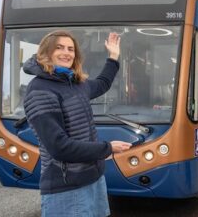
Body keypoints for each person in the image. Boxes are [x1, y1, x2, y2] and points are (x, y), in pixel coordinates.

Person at [23, 30, 132, 217]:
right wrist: (107, 148)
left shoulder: (75, 84)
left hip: (94, 180)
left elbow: (102, 84)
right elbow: (59, 147)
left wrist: (113, 56)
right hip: (66, 187)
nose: (67, 53)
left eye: (71, 49)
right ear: (46, 52)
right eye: (59, 48)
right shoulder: (40, 89)